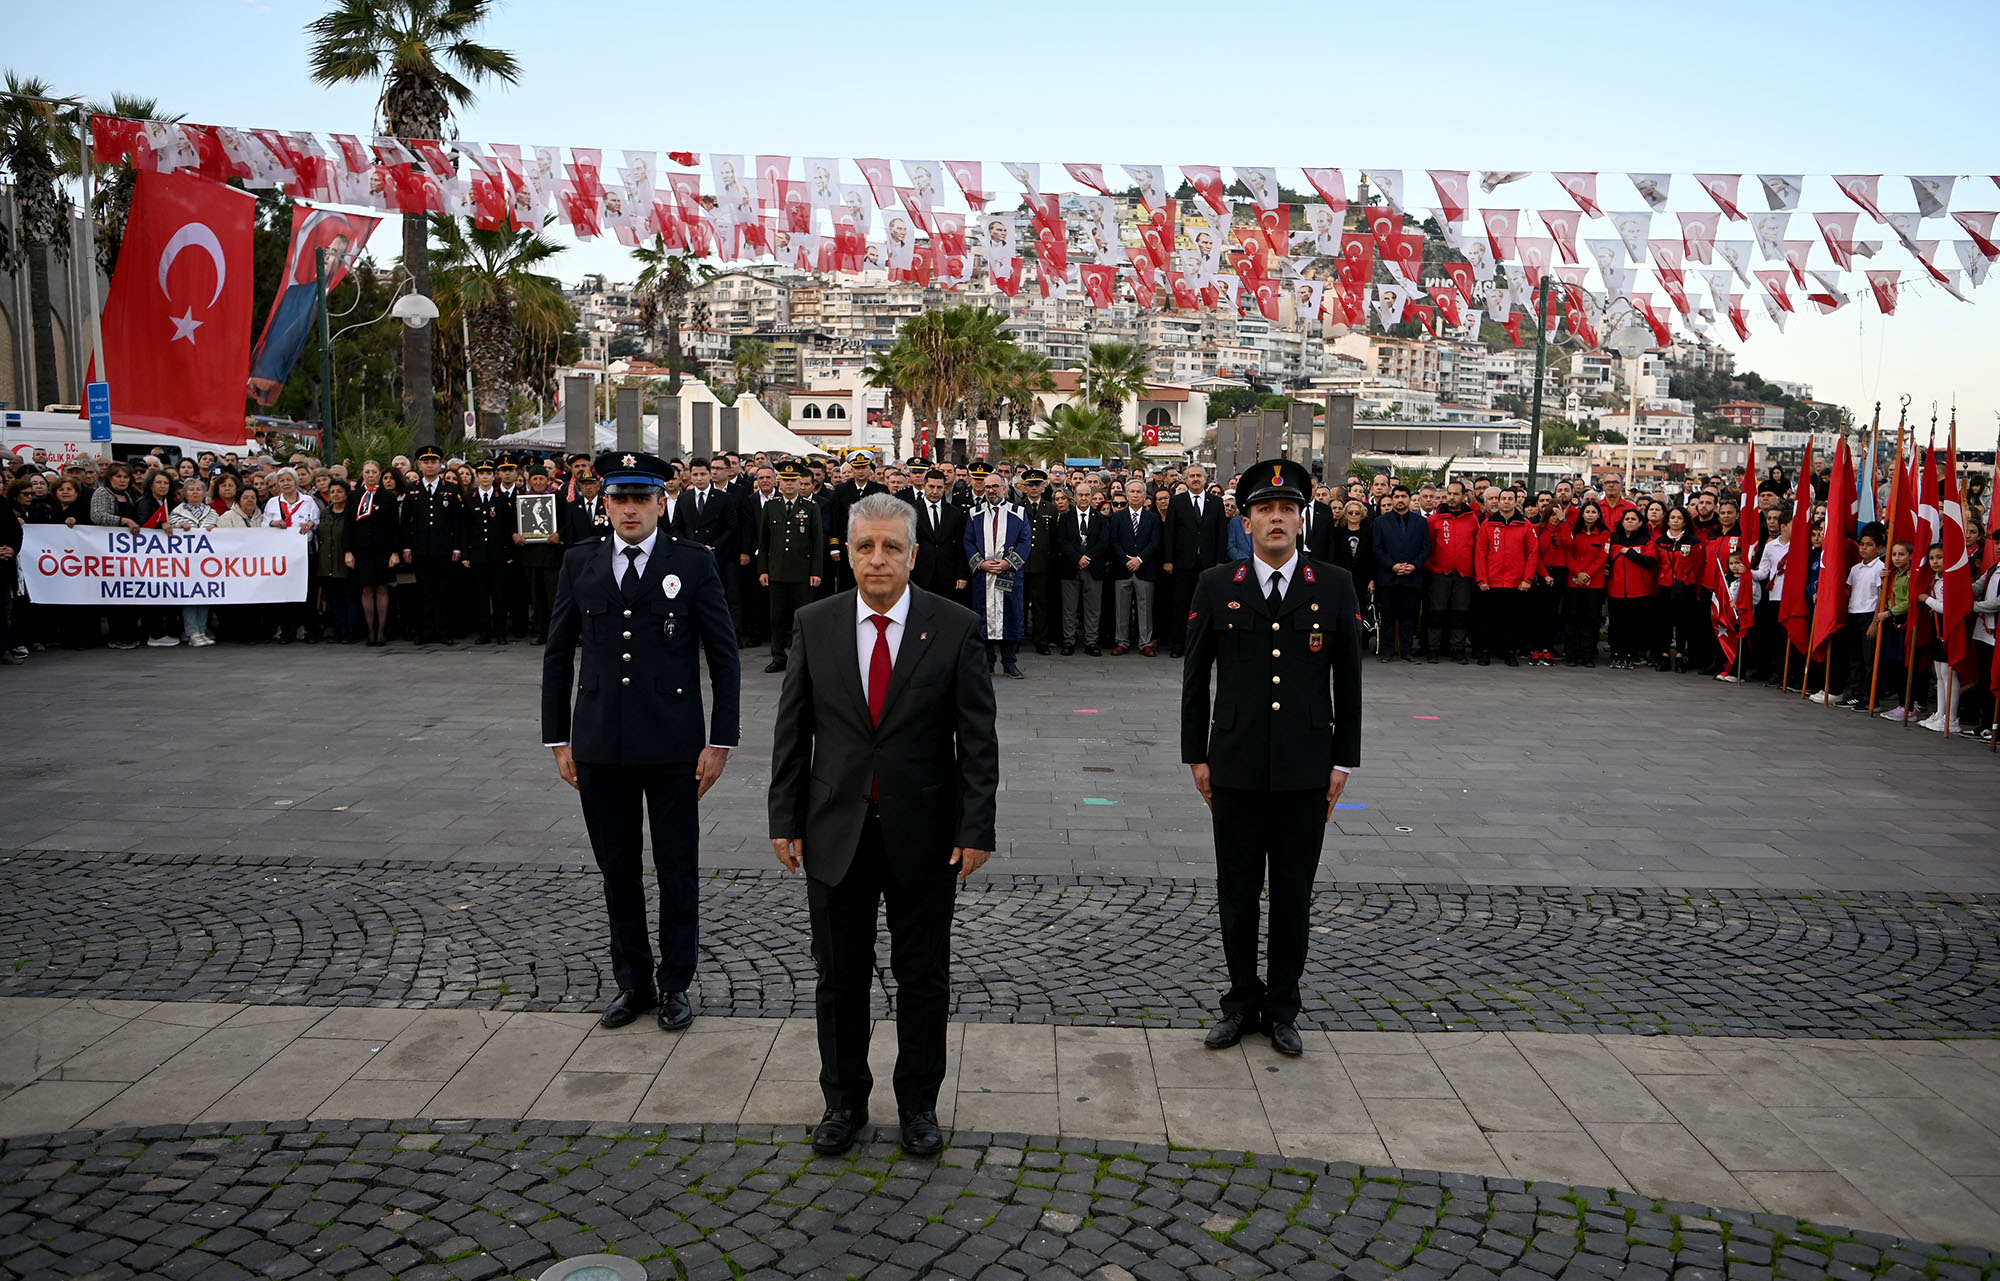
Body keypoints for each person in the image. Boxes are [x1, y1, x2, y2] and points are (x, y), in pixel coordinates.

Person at [767, 492, 998, 1158]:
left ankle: (919, 1102)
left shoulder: (953, 627)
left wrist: (975, 824)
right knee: (839, 976)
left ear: (913, 554)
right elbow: (794, 732)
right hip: (834, 827)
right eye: (864, 546)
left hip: (924, 832)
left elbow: (976, 738)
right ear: (846, 551)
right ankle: (843, 1100)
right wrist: (784, 815)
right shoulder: (816, 622)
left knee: (922, 976)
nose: (876, 559)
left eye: (890, 546)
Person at [542, 451, 740, 1034]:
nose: (630, 509)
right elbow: (558, 657)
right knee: (618, 870)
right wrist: (558, 739)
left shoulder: (693, 563)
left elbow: (724, 658)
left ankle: (676, 983)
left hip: (675, 741)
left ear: (661, 502)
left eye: (641, 498)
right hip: (600, 743)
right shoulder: (580, 563)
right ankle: (633, 982)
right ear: (604, 504)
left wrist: (719, 741)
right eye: (619, 498)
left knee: (677, 867)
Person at [1181, 459, 1364, 1058]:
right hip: (1232, 763)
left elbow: (1350, 681)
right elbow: (1195, 676)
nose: (1277, 518)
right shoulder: (1216, 585)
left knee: (1292, 895)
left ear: (1302, 518)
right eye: (1265, 509)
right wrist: (1195, 755)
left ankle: (1283, 1007)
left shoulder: (1334, 584)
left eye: (1287, 509)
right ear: (1247, 520)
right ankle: (1239, 1002)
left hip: (1306, 768)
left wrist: (1344, 762)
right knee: (1236, 893)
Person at [757, 460, 824, 673]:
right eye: (785, 480)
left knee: (801, 616)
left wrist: (816, 571)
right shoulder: (771, 506)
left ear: (800, 482)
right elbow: (764, 541)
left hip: (802, 572)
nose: (789, 485)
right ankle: (778, 656)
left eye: (793, 481)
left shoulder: (810, 508)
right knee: (777, 617)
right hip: (776, 571)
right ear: (779, 482)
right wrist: (763, 570)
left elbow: (817, 542)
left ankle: (801, 656)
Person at [964, 469, 1030, 679]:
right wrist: (981, 564)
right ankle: (988, 663)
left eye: (995, 486)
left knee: (1010, 616)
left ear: (1004, 488)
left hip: (1008, 574)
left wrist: (1008, 563)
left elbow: (1025, 541)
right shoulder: (975, 513)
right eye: (988, 487)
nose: (991, 491)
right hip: (983, 576)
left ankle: (1010, 663)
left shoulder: (1018, 513)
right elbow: (968, 541)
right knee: (983, 617)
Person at [401, 445, 464, 645]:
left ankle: (443, 632)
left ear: (440, 465)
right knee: (424, 592)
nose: (430, 465)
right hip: (421, 549)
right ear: (420, 465)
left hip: (444, 548)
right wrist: (406, 547)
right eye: (426, 462)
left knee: (443, 592)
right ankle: (426, 632)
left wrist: (457, 547)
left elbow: (457, 521)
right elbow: (406, 522)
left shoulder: (450, 489)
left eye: (433, 462)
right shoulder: (412, 489)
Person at [1163, 465, 1226, 660]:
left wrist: (1220, 561)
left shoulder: (1216, 502)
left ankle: (1206, 645)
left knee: (1207, 606)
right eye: (1192, 476)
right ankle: (1179, 644)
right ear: (1185, 479)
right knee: (1181, 605)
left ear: (1206, 479)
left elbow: (1221, 533)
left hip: (1208, 564)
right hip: (1183, 563)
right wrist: (1168, 560)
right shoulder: (1176, 502)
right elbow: (1170, 533)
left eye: (1199, 476)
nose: (1196, 479)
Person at [1474, 488, 1538, 667]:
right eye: (1504, 498)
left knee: (1512, 620)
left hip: (1516, 582)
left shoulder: (1525, 525)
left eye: (1511, 498)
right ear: (1499, 502)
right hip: (1491, 581)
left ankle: (1510, 652)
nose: (1507, 501)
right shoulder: (1488, 525)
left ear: (1516, 501)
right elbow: (1480, 553)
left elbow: (1532, 554)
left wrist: (1527, 579)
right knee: (1488, 619)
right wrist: (1482, 579)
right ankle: (1485, 651)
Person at [1370, 486, 1428, 661]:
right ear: (1392, 499)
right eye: (1397, 496)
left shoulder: (1421, 522)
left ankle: (1407, 651)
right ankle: (1388, 651)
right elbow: (1377, 548)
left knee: (1409, 616)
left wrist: (1414, 565)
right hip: (1389, 577)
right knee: (1388, 616)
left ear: (1410, 499)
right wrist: (1392, 565)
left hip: (1412, 576)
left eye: (1404, 496)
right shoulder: (1380, 522)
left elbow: (1425, 547)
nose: (1400, 500)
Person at [264, 467, 321, 645]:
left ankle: (311, 630)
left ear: (296, 482)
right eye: (282, 481)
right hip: (282, 554)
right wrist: (273, 522)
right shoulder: (273, 503)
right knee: (286, 593)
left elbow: (317, 521)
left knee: (308, 592)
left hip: (305, 552)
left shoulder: (308, 501)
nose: (285, 483)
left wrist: (311, 523)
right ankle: (287, 631)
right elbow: (264, 524)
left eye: (289, 480)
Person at [1424, 481, 1478, 663]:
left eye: (1456, 494)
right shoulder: (1435, 519)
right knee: (1436, 613)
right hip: (1440, 573)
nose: (1452, 497)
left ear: (1464, 496)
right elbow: (1428, 545)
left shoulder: (1472, 519)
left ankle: (1458, 649)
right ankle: (1433, 649)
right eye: (1449, 494)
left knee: (1460, 613)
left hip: (1463, 574)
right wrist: (1432, 567)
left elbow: (1476, 546)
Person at [1108, 476, 1162, 656]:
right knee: (1121, 608)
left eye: (1139, 492)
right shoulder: (1117, 517)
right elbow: (1113, 542)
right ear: (1127, 494)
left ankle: (1145, 642)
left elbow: (1155, 543)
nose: (1135, 495)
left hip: (1144, 569)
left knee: (1145, 608)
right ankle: (1121, 641)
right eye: (1132, 491)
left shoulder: (1152, 518)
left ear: (1145, 495)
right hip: (1122, 569)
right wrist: (1126, 560)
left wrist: (1139, 559)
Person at [1056, 480, 1110, 656]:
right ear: (1075, 496)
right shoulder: (1065, 518)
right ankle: (1069, 641)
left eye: (1087, 495)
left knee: (1093, 607)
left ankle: (1091, 642)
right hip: (1070, 567)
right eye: (1080, 495)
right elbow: (1062, 542)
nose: (1084, 498)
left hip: (1093, 568)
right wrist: (1077, 557)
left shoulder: (1100, 519)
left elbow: (1104, 542)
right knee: (1069, 608)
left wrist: (1088, 558)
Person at [350, 460, 401, 647]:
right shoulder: (354, 497)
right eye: (367, 472)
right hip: (361, 550)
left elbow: (395, 527)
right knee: (366, 589)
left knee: (382, 588)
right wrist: (348, 551)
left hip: (383, 550)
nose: (370, 475)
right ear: (362, 474)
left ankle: (381, 631)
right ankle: (370, 630)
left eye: (374, 472)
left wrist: (394, 552)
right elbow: (349, 526)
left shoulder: (388, 498)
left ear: (379, 474)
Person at [464, 461, 515, 645]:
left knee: (499, 595)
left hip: (497, 554)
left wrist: (509, 553)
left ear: (495, 476)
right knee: (481, 595)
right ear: (477, 476)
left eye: (488, 473)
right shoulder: (470, 497)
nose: (485, 477)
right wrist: (465, 554)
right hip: (477, 554)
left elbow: (507, 528)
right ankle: (484, 631)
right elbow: (466, 528)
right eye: (481, 473)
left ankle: (500, 631)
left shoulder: (502, 498)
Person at [1605, 508, 1659, 670]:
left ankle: (1631, 654)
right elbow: (1605, 557)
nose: (1629, 521)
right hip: (1616, 589)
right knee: (1616, 624)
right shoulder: (1614, 539)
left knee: (1633, 625)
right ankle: (1616, 653)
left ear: (1640, 522)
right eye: (1626, 518)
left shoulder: (1645, 540)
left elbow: (1649, 560)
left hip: (1639, 590)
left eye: (1633, 519)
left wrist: (1629, 553)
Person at [1558, 501, 1609, 666]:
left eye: (1594, 512)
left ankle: (1587, 656)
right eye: (1587, 511)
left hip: (1594, 583)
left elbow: (1603, 556)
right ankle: (1571, 655)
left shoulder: (1605, 533)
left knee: (1591, 620)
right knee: (1572, 619)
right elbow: (1568, 552)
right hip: (1574, 582)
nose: (1590, 515)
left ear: (1599, 515)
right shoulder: (1574, 531)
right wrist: (1578, 572)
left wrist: (1587, 574)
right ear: (1582, 514)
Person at [1018, 470, 1060, 655]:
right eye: (1030, 485)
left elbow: (1053, 537)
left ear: (1043, 487)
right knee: (1019, 604)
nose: (1033, 488)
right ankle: (1017, 638)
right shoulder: (1017, 507)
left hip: (1042, 564)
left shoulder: (1051, 508)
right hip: (1021, 563)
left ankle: (1041, 641)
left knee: (1040, 605)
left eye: (1037, 485)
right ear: (1024, 487)